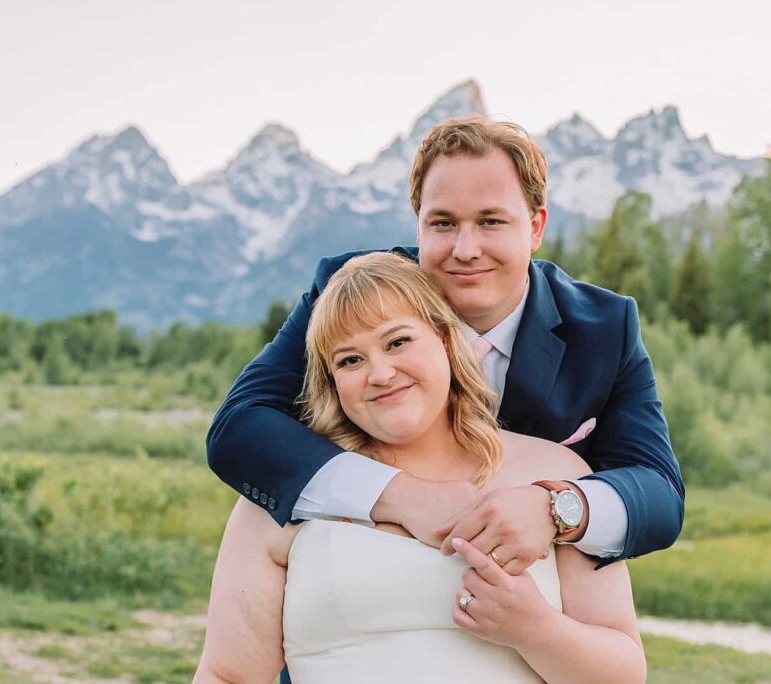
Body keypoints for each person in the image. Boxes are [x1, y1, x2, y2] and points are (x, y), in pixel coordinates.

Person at [207, 116, 683, 577]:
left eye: (491, 222)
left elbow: (658, 492)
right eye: (443, 223)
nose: (466, 249)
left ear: (536, 227)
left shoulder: (604, 328)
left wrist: (557, 507)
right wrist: (398, 495)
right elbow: (238, 428)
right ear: (418, 226)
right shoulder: (350, 292)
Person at [194, 252, 646, 684]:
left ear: (447, 341)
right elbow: (228, 675)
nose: (380, 373)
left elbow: (624, 673)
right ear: (331, 383)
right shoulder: (287, 492)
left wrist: (537, 630)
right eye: (350, 359)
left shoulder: (553, 475)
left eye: (397, 342)